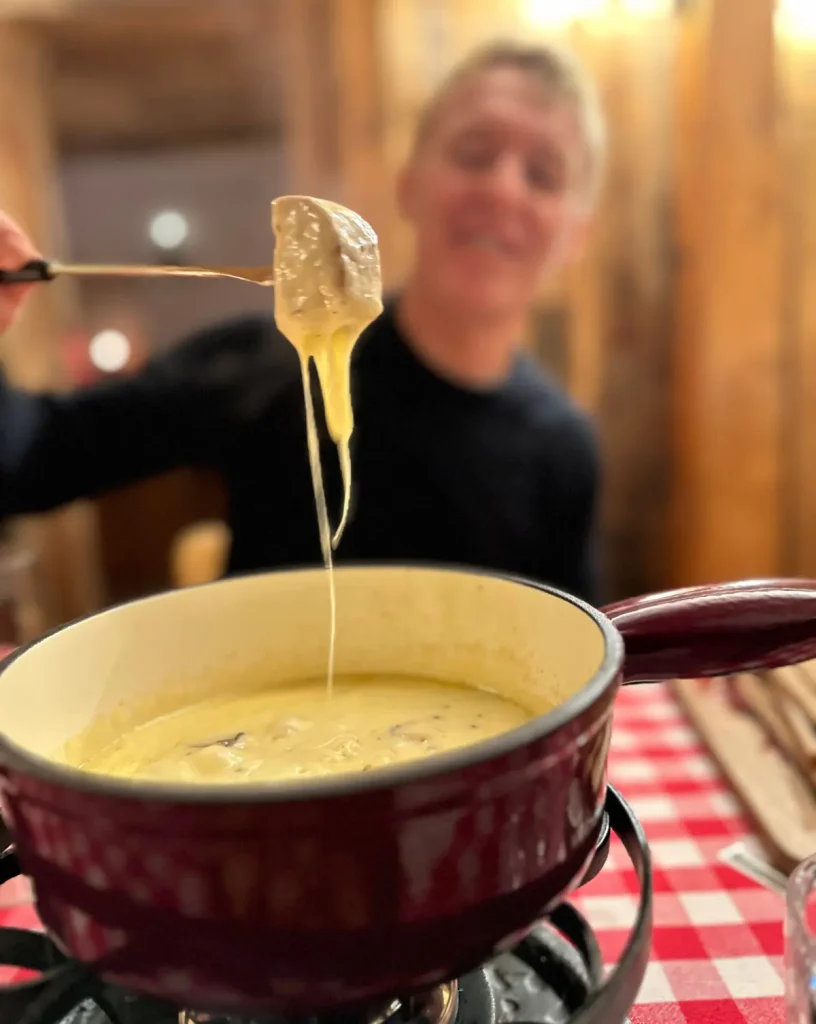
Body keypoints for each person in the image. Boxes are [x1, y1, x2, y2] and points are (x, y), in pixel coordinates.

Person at [0, 42, 604, 602]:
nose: (502, 189)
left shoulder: (562, 447)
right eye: (473, 154)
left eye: (543, 174)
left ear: (575, 235)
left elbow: (574, 650)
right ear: (409, 183)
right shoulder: (278, 361)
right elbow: (30, 456)